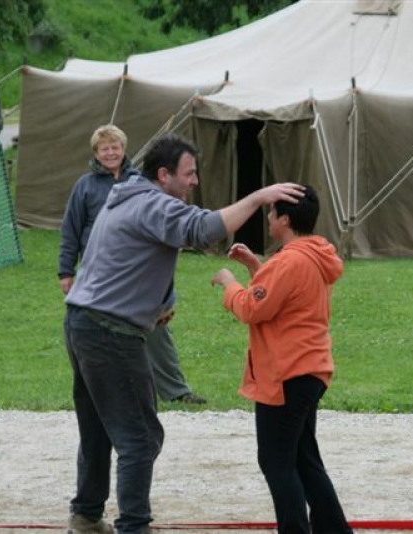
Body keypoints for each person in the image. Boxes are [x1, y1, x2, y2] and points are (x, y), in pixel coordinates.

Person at [63, 133, 304, 534]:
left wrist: (155, 303)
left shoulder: (127, 197)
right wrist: (259, 197)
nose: (195, 181)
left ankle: (86, 516)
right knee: (141, 436)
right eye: (189, 173)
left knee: (98, 428)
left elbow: (124, 259)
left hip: (82, 322)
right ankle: (133, 527)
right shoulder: (153, 203)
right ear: (164, 175)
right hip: (110, 332)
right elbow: (203, 229)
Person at [210, 186, 352, 534]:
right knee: (303, 458)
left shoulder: (288, 261)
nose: (269, 219)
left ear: (285, 220)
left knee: (275, 461)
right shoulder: (313, 255)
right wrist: (255, 267)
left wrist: (229, 283)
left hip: (287, 372)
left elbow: (252, 308)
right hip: (310, 369)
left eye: (271, 213)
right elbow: (281, 298)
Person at [58, 125, 206, 405]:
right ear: (96, 153)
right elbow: (71, 230)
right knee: (101, 339)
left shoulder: (139, 183)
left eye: (115, 147)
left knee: (158, 333)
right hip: (101, 276)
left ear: (124, 150)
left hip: (141, 273)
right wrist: (66, 271)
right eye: (104, 148)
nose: (110, 153)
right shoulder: (85, 186)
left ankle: (175, 390)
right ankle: (108, 392)